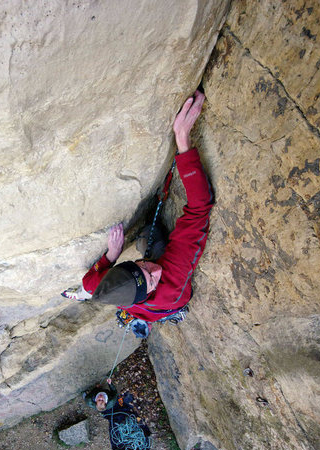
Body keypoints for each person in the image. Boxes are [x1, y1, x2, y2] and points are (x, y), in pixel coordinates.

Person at [62, 91, 214, 332]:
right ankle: (166, 314)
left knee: (144, 240)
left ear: (133, 262)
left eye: (144, 267)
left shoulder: (104, 286)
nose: (155, 270)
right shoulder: (171, 280)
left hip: (138, 304)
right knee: (155, 240)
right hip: (173, 302)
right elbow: (199, 208)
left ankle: (140, 314)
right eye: (152, 279)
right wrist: (182, 140)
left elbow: (90, 285)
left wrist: (111, 255)